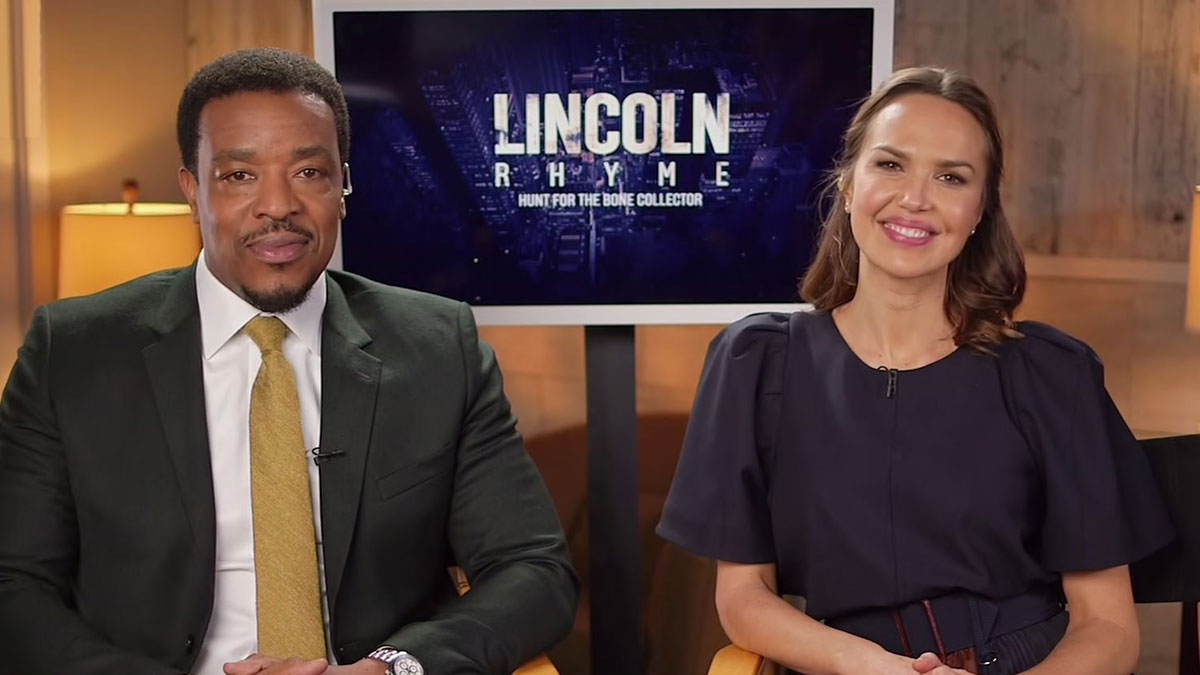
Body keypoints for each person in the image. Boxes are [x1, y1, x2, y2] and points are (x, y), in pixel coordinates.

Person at [0, 48, 577, 675]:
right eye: (239, 175)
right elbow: (14, 585)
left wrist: (392, 668)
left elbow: (533, 570)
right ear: (192, 191)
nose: (277, 205)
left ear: (342, 187)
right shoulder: (72, 352)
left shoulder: (439, 347)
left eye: (308, 172)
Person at [657, 66, 1173, 675]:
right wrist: (866, 665)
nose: (915, 198)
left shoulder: (1052, 374)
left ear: (980, 209)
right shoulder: (755, 363)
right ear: (848, 183)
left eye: (951, 177)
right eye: (890, 165)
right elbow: (743, 600)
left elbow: (1108, 627)